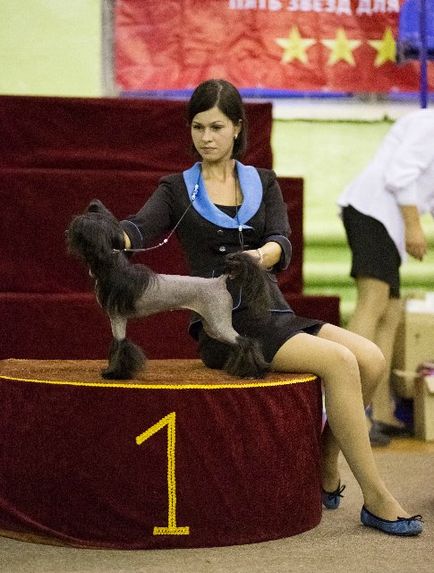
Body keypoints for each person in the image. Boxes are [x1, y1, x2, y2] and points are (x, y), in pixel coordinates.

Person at [120, 79, 423, 536]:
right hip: (227, 329)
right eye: (198, 127)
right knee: (342, 362)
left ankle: (325, 460)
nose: (206, 137)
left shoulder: (262, 182)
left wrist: (264, 256)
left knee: (373, 360)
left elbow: (282, 240)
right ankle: (377, 498)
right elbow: (138, 231)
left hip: (272, 311)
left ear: (237, 128)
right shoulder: (176, 189)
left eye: (217, 127)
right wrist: (108, 236)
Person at [338, 110, 434, 447]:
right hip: (372, 212)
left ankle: (380, 411)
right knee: (373, 304)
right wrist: (413, 226)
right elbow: (400, 174)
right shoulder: (429, 124)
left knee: (390, 313)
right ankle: (349, 410)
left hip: (384, 222)